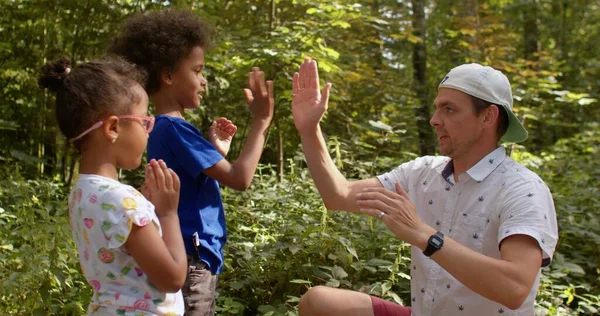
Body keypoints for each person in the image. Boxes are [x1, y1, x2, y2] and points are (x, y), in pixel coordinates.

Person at [292, 59, 558, 316]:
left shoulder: (523, 188)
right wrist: (309, 130)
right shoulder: (422, 173)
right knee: (319, 302)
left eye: (449, 109)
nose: (434, 119)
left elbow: (514, 288)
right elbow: (339, 195)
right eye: (437, 108)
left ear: (488, 116)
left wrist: (425, 236)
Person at [107, 9, 274, 315]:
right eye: (197, 71)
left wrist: (214, 151)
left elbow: (188, 181)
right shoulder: (176, 129)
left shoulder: (159, 127)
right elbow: (240, 178)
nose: (204, 81)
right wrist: (261, 122)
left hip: (182, 251)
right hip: (193, 256)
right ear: (168, 75)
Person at [39, 56, 187, 315]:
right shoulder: (120, 200)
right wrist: (167, 213)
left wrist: (144, 204)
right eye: (144, 121)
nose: (148, 130)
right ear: (113, 127)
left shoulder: (82, 191)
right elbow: (172, 278)